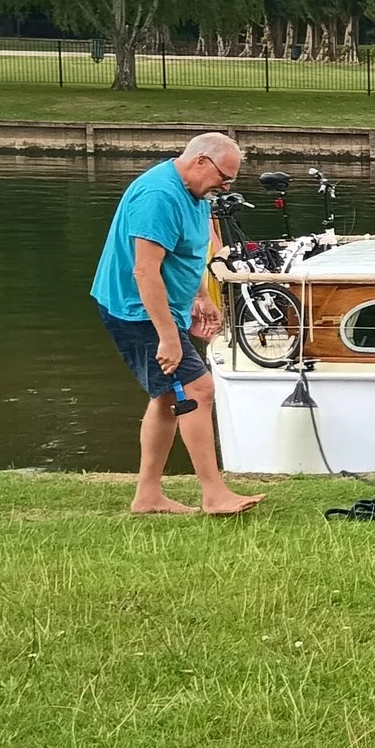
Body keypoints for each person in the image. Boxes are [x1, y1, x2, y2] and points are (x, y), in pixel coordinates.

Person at [90, 132, 263, 516]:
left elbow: (187, 253)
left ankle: (148, 496)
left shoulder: (197, 193)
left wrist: (200, 297)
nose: (227, 186)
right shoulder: (159, 197)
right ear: (201, 161)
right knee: (198, 389)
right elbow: (144, 271)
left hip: (163, 307)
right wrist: (169, 337)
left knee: (167, 396)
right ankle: (214, 494)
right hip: (136, 309)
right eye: (225, 176)